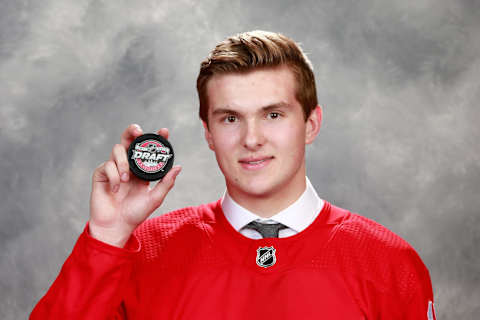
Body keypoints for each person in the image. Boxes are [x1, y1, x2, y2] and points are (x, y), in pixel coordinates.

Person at [30, 30, 436, 319]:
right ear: (208, 133)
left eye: (273, 115)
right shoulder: (141, 254)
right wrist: (107, 237)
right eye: (230, 118)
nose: (252, 139)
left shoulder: (389, 263)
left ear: (311, 124)